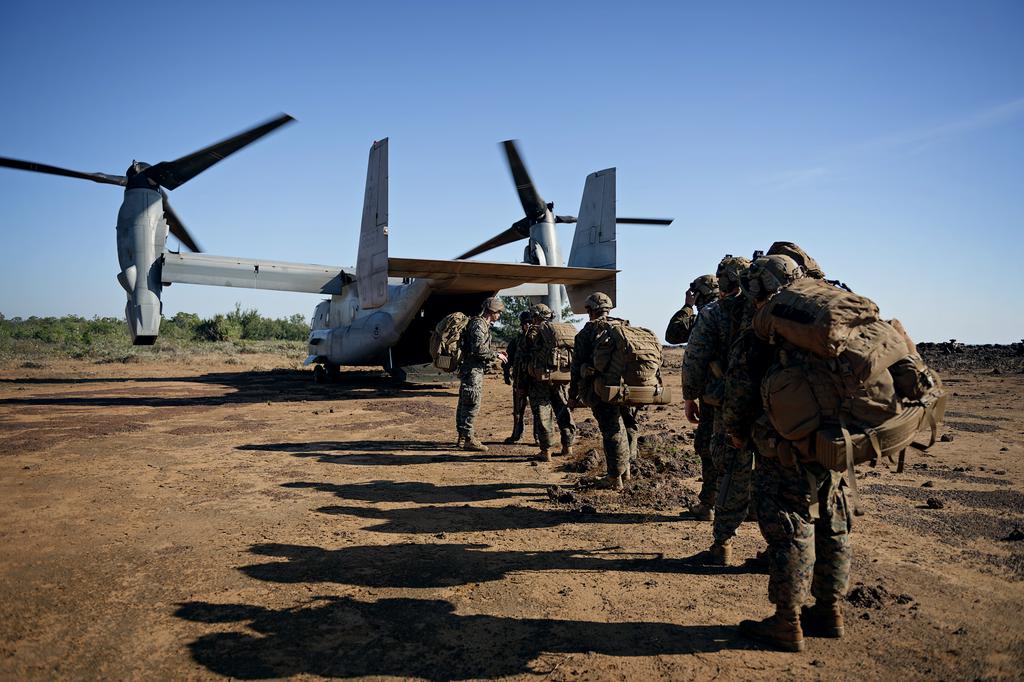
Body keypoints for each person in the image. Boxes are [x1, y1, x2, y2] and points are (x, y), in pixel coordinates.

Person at [726, 254, 851, 653]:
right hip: (837, 442)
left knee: (790, 527)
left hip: (785, 445)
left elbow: (741, 386)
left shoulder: (769, 324)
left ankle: (787, 621)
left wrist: (736, 430)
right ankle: (830, 611)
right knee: (832, 520)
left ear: (760, 287)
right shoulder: (830, 314)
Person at [682, 255, 753, 563]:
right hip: (772, 406)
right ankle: (778, 550)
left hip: (729, 403)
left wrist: (690, 396)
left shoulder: (713, 313)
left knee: (729, 470)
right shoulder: (768, 311)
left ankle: (722, 544)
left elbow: (695, 357)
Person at [569, 292, 639, 489]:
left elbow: (576, 368)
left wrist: (573, 396)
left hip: (604, 390)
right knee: (628, 426)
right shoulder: (625, 326)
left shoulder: (587, 332)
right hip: (629, 387)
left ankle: (614, 478)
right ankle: (627, 472)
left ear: (589, 310)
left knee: (612, 430)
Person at [666, 274, 720, 519]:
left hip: (715, 397)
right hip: (749, 395)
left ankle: (709, 504)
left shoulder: (708, 315)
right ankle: (746, 505)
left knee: (709, 449)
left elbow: (674, 335)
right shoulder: (747, 310)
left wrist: (687, 307)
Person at [455, 297, 506, 452]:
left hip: (471, 370)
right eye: (499, 312)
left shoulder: (480, 324)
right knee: (471, 403)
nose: (499, 316)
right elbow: (478, 350)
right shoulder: (479, 325)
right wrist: (496, 355)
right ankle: (468, 438)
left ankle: (463, 437)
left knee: (465, 402)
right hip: (473, 371)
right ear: (492, 311)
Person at [529, 303, 577, 458]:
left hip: (540, 380)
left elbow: (525, 353)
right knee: (563, 411)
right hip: (561, 378)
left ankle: (546, 451)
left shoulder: (535, 332)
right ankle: (568, 446)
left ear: (536, 316)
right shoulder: (561, 330)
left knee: (544, 414)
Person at [502, 310, 533, 444]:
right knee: (518, 410)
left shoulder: (539, 339)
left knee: (538, 410)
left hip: (534, 381)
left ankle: (539, 438)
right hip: (520, 380)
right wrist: (506, 374)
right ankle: (517, 435)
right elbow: (507, 359)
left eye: (530, 322)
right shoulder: (517, 340)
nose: (527, 325)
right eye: (525, 323)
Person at [664, 274, 719, 345]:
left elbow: (672, 335)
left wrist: (688, 306)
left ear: (700, 295)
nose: (696, 303)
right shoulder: (732, 312)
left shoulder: (705, 320)